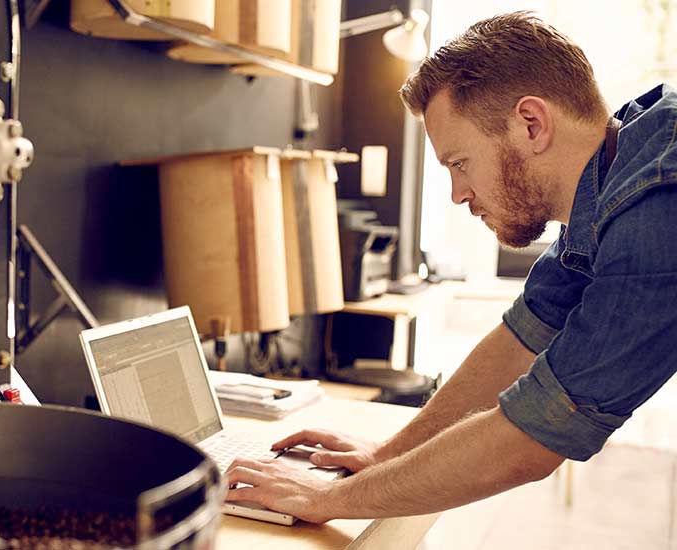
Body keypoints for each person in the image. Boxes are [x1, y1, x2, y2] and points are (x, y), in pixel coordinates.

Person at [225, 10, 677, 524]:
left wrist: (321, 499)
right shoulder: (619, 164)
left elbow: (536, 435)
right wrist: (385, 454)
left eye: (459, 163)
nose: (459, 194)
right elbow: (521, 337)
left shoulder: (657, 203)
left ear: (532, 123)